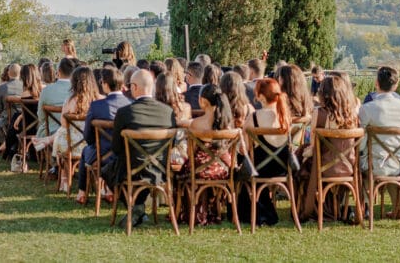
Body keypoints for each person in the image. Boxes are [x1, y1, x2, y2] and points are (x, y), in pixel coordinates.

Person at [107, 69, 176, 229]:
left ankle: (136, 208)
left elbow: (116, 148)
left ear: (135, 87)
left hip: (132, 170)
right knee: (120, 168)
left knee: (107, 170)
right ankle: (138, 208)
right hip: (160, 170)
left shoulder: (125, 113)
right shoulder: (168, 112)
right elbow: (172, 145)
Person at [298, 75, 359, 220]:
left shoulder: (319, 114)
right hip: (349, 167)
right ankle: (339, 207)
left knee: (301, 162)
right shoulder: (353, 115)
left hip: (323, 167)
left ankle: (312, 207)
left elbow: (313, 147)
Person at [178, 84, 235, 226]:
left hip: (200, 170)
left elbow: (191, 154)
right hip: (224, 170)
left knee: (184, 171)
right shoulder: (227, 123)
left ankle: (193, 211)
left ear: (203, 101)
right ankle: (215, 209)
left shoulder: (196, 124)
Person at [239, 78, 292, 226]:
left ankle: (255, 212)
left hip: (260, 168)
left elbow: (245, 149)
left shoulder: (254, 117)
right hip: (283, 167)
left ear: (261, 96)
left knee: (241, 164)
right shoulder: (286, 117)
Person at [77, 66, 128, 205]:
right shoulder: (131, 104)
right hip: (126, 155)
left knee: (85, 151)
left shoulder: (96, 106)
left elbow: (88, 136)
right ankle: (109, 191)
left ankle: (82, 192)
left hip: (101, 155)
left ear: (105, 84)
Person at [358, 65, 400, 177]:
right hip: (399, 165)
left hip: (372, 165)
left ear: (376, 83)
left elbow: (360, 143)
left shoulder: (367, 108)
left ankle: (368, 194)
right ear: (396, 85)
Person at [3, 64, 42, 160]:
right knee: (17, 116)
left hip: (28, 127)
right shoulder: (42, 91)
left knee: (14, 121)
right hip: (40, 124)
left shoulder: (25, 94)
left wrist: (19, 117)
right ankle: (9, 149)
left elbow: (27, 113)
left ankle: (8, 150)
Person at [36, 58, 75, 141]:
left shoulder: (46, 90)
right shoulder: (77, 91)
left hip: (50, 132)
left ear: (58, 71)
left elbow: (41, 117)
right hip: (74, 134)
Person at [0, 63, 23, 149]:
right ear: (20, 73)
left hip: (6, 118)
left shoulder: (2, 87)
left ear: (8, 73)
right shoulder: (25, 86)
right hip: (23, 119)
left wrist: (2, 113)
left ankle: (4, 143)